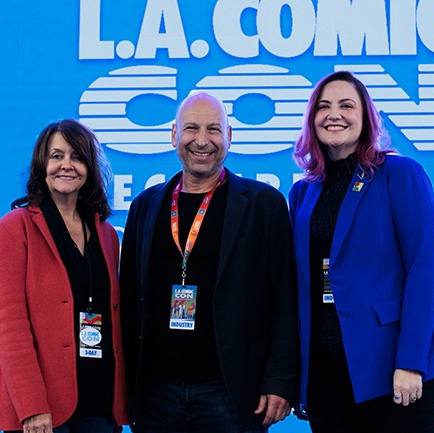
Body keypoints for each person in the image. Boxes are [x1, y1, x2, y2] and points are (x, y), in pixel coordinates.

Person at [288, 70, 434, 433]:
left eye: (346, 105)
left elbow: (425, 269)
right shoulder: (303, 193)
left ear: (366, 117)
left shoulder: (399, 173)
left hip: (392, 366)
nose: (334, 114)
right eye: (323, 106)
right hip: (327, 372)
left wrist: (411, 361)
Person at [119, 92, 299, 433]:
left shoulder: (264, 205)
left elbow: (286, 300)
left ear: (230, 136)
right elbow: (128, 301)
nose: (202, 141)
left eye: (214, 129)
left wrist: (280, 379)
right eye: (191, 128)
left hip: (232, 392)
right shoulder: (145, 207)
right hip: (156, 392)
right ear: (174, 134)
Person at [0, 119, 129, 433]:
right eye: (56, 156)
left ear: (90, 167)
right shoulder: (12, 229)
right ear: (41, 165)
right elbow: (11, 327)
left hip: (99, 403)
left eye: (77, 157)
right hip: (44, 409)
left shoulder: (106, 234)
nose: (66, 165)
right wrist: (32, 407)